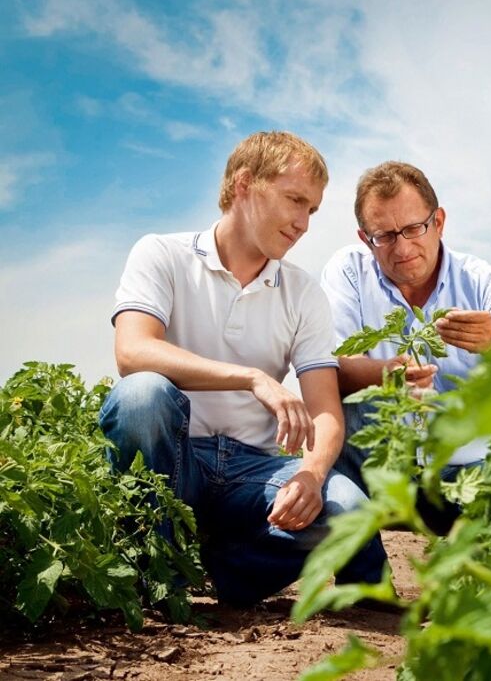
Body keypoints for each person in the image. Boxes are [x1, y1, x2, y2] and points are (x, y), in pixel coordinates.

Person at [98, 131, 388, 607]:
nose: (303, 224)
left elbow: (326, 411)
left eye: (312, 210)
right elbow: (133, 352)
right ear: (244, 183)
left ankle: (219, 574)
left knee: (348, 509)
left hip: (251, 472)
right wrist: (252, 377)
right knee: (141, 396)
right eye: (295, 200)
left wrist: (312, 475)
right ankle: (154, 567)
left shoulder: (303, 293)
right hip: (175, 460)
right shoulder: (161, 254)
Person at [321, 161, 491, 532]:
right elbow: (331, 364)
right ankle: (369, 579)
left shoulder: (488, 284)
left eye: (413, 228)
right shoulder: (349, 271)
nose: (402, 247)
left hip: (467, 472)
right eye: (384, 236)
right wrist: (389, 373)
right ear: (364, 238)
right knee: (351, 406)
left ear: (438, 221)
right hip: (380, 470)